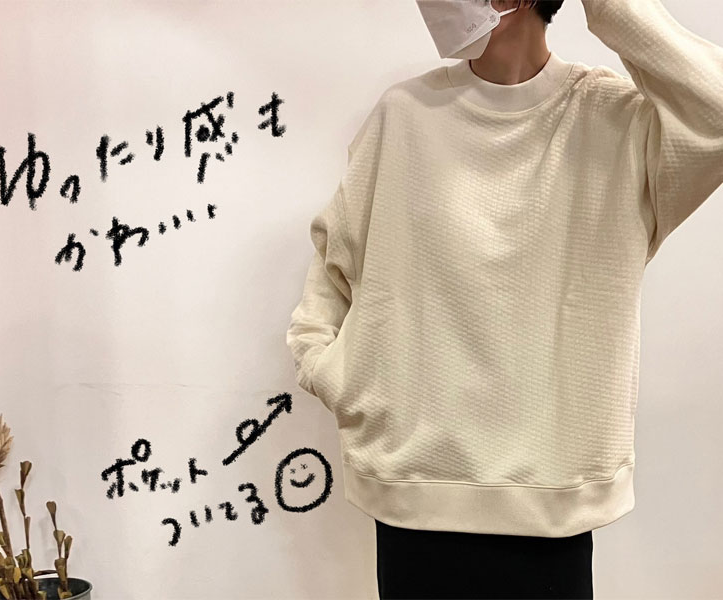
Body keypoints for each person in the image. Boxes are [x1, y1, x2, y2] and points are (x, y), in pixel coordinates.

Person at [286, 0, 723, 597]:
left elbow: (716, 109)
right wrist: (328, 368)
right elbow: (334, 261)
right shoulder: (404, 116)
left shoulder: (615, 121)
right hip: (415, 504)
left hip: (553, 512)